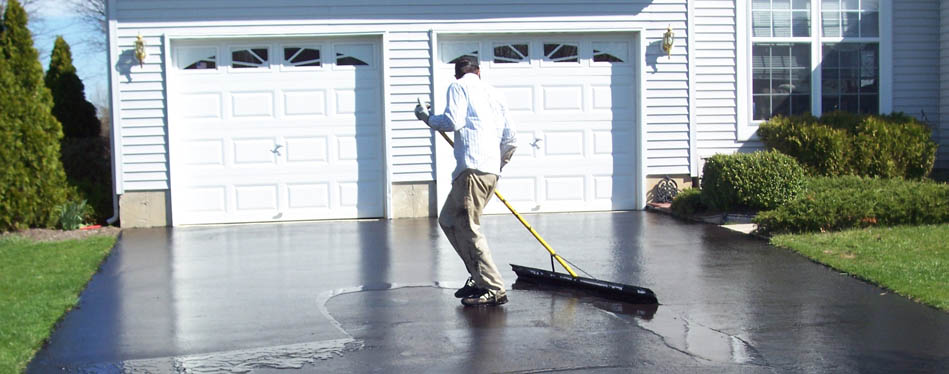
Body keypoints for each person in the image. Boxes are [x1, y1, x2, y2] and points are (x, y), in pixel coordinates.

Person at [414, 57, 517, 306]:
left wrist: (427, 117)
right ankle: (477, 276)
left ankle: (493, 288)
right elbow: (511, 139)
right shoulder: (495, 94)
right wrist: (495, 165)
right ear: (479, 71)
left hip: (472, 169)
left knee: (469, 229)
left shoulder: (459, 87)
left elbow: (452, 121)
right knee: (448, 220)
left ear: (457, 74)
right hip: (487, 170)